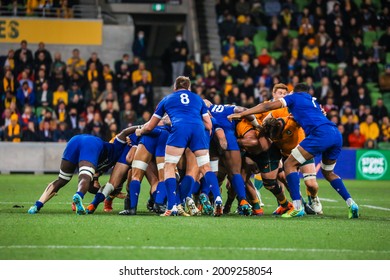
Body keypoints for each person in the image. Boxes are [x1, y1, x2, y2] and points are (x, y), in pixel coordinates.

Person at [228, 83, 359, 219]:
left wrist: (243, 113)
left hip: (319, 135)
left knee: (289, 165)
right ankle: (352, 204)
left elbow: (266, 107)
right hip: (335, 133)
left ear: (293, 92)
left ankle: (297, 207)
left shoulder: (294, 99)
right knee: (328, 172)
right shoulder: (312, 100)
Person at [136, 76, 223, 216]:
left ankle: (172, 207)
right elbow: (209, 125)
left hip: (179, 129)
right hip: (198, 129)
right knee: (205, 167)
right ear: (189, 88)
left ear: (174, 88)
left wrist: (140, 130)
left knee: (169, 166)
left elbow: (151, 126)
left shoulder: (167, 99)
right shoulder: (198, 99)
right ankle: (218, 198)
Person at [27, 125, 140, 215]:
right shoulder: (119, 147)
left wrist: (112, 193)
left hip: (74, 141)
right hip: (92, 144)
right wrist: (142, 126)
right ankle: (79, 195)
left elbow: (93, 186)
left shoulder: (100, 168)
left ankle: (37, 205)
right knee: (85, 176)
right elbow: (125, 131)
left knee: (62, 179)